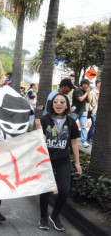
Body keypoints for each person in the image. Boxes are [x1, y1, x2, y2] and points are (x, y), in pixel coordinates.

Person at [39, 93, 82, 231]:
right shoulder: (44, 120)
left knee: (64, 190)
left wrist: (77, 163)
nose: (58, 104)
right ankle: (43, 217)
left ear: (66, 105)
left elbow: (74, 144)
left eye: (62, 102)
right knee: (45, 190)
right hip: (46, 160)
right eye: (56, 101)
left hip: (63, 160)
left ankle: (55, 215)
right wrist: (41, 138)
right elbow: (37, 140)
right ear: (52, 104)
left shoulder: (71, 122)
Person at [70, 79, 91, 148]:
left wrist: (87, 93)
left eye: (88, 85)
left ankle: (84, 141)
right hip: (75, 112)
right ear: (83, 84)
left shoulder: (86, 91)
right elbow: (80, 99)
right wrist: (87, 93)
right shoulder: (77, 90)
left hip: (83, 112)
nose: (88, 86)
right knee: (70, 125)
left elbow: (88, 101)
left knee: (83, 127)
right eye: (87, 84)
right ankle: (68, 140)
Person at [86, 79, 101, 144]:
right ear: (97, 84)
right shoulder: (92, 92)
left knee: (95, 125)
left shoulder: (102, 92)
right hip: (94, 110)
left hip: (98, 111)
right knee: (94, 124)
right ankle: (90, 138)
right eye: (100, 83)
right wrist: (90, 110)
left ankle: (90, 138)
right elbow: (88, 102)